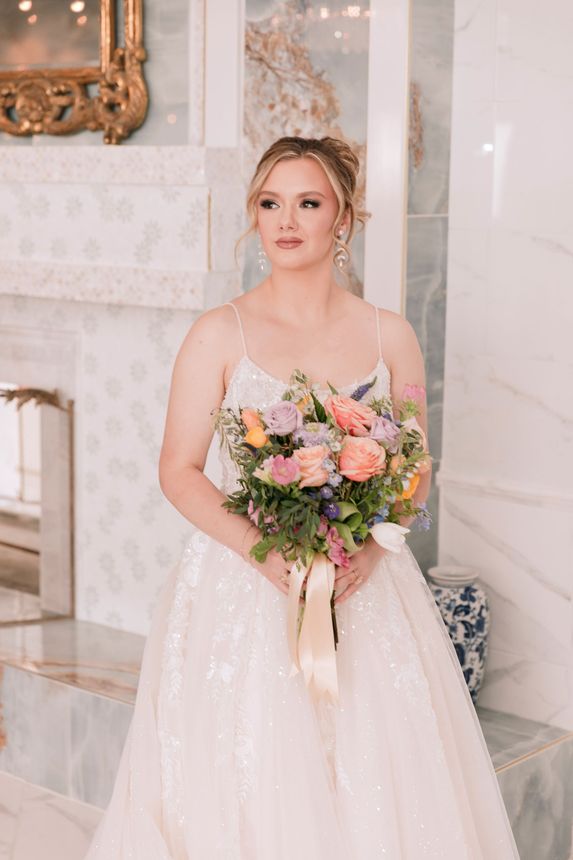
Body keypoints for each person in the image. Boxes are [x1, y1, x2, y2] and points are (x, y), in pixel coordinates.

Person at [85, 136, 520, 858]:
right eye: (269, 203)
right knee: (249, 769)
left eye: (307, 203)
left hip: (362, 582)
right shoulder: (217, 333)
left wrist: (371, 555)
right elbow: (179, 470)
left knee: (374, 768)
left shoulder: (391, 335)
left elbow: (413, 470)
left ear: (341, 218)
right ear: (254, 216)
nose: (286, 220)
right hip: (244, 582)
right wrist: (267, 554)